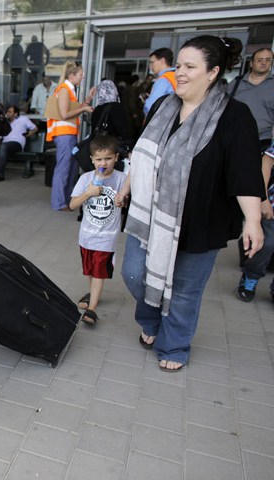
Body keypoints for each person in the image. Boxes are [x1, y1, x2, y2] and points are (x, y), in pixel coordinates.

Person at [116, 35, 264, 373]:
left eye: (189, 66)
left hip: (202, 221)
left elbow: (244, 173)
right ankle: (151, 319)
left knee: (183, 292)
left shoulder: (234, 116)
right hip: (152, 215)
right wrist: (126, 187)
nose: (179, 72)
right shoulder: (161, 106)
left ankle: (175, 345)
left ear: (212, 73)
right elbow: (140, 158)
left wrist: (253, 221)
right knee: (134, 273)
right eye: (179, 65)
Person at [69, 135, 127, 325]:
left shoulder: (121, 179)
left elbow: (125, 199)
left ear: (116, 158)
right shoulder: (86, 178)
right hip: (86, 235)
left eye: (108, 158)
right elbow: (71, 205)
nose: (104, 163)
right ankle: (93, 294)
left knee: (99, 271)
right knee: (89, 271)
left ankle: (92, 308)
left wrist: (122, 200)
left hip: (107, 237)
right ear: (92, 159)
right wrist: (88, 193)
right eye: (99, 159)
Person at [47, 61, 95, 211]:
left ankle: (66, 201)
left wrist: (87, 100)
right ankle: (59, 203)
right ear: (72, 75)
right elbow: (65, 114)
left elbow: (72, 110)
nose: (83, 77)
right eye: (81, 74)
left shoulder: (69, 89)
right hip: (64, 135)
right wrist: (85, 108)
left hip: (68, 134)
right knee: (63, 169)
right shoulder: (64, 90)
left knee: (71, 168)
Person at [236, 140, 274, 302]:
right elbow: (266, 163)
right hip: (272, 207)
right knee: (267, 244)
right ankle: (250, 276)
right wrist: (263, 198)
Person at [227, 48, 273, 152]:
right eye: (260, 60)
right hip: (234, 139)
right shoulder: (236, 83)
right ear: (251, 63)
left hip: (263, 142)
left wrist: (271, 153)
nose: (264, 63)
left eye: (268, 60)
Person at [0, 105, 38, 182]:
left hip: (17, 143)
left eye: (10, 112)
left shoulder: (23, 119)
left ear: (16, 114)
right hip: (5, 145)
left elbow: (35, 128)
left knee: (3, 146)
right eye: (7, 112)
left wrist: (30, 133)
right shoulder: (4, 122)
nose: (7, 113)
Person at [143, 47, 176, 116]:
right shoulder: (176, 76)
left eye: (152, 62)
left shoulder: (163, 80)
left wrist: (147, 101)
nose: (150, 66)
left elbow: (150, 107)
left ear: (162, 61)